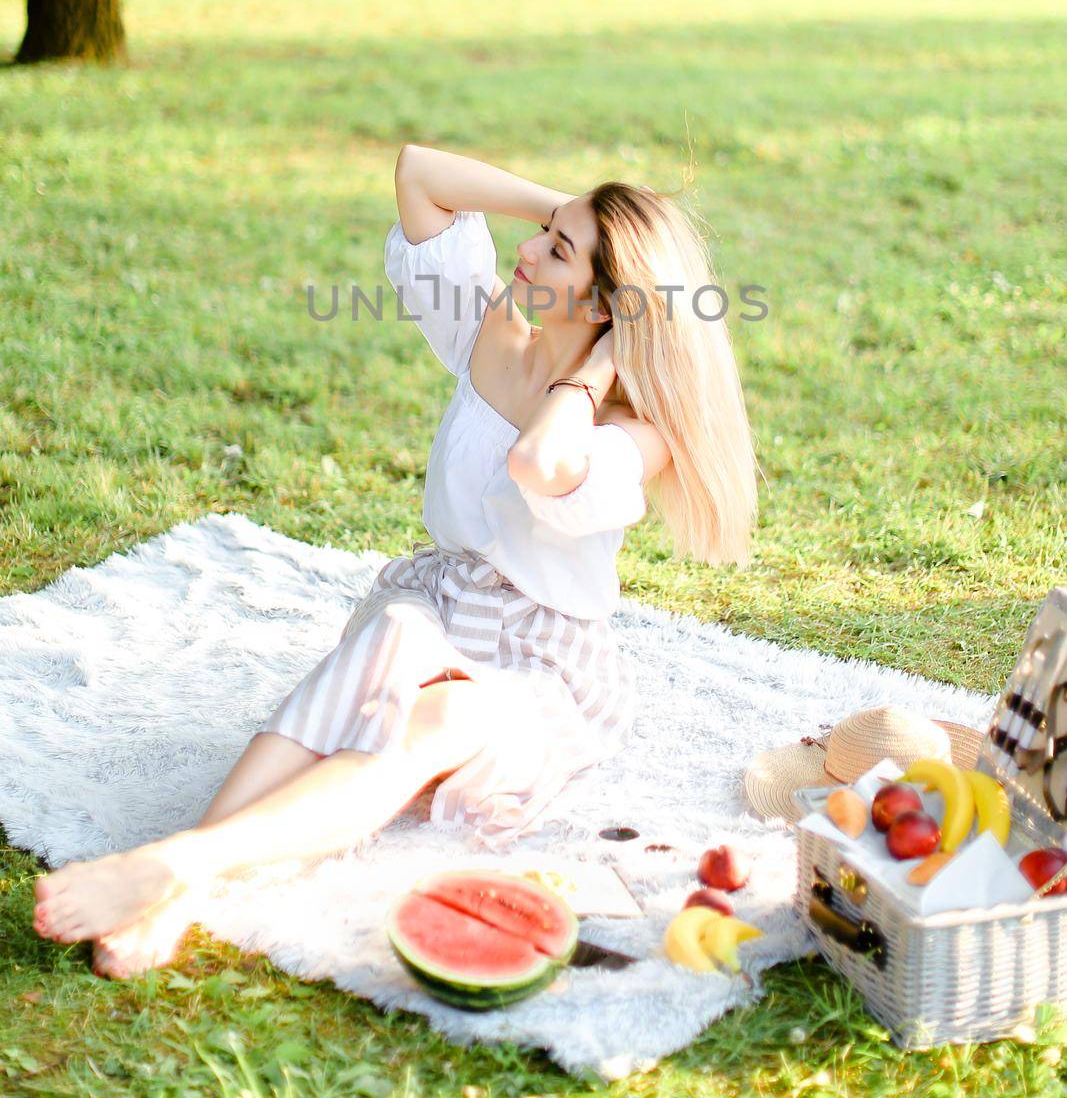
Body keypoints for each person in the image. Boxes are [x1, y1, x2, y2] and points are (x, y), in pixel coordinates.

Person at [32, 145, 759, 977]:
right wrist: (572, 214)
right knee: (399, 631)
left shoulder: (634, 433)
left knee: (443, 721)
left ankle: (180, 872)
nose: (524, 250)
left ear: (604, 302)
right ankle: (179, 876)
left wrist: (595, 365)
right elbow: (420, 173)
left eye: (555, 251)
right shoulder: (491, 331)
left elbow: (539, 467)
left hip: (542, 665)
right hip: (442, 607)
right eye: (542, 234)